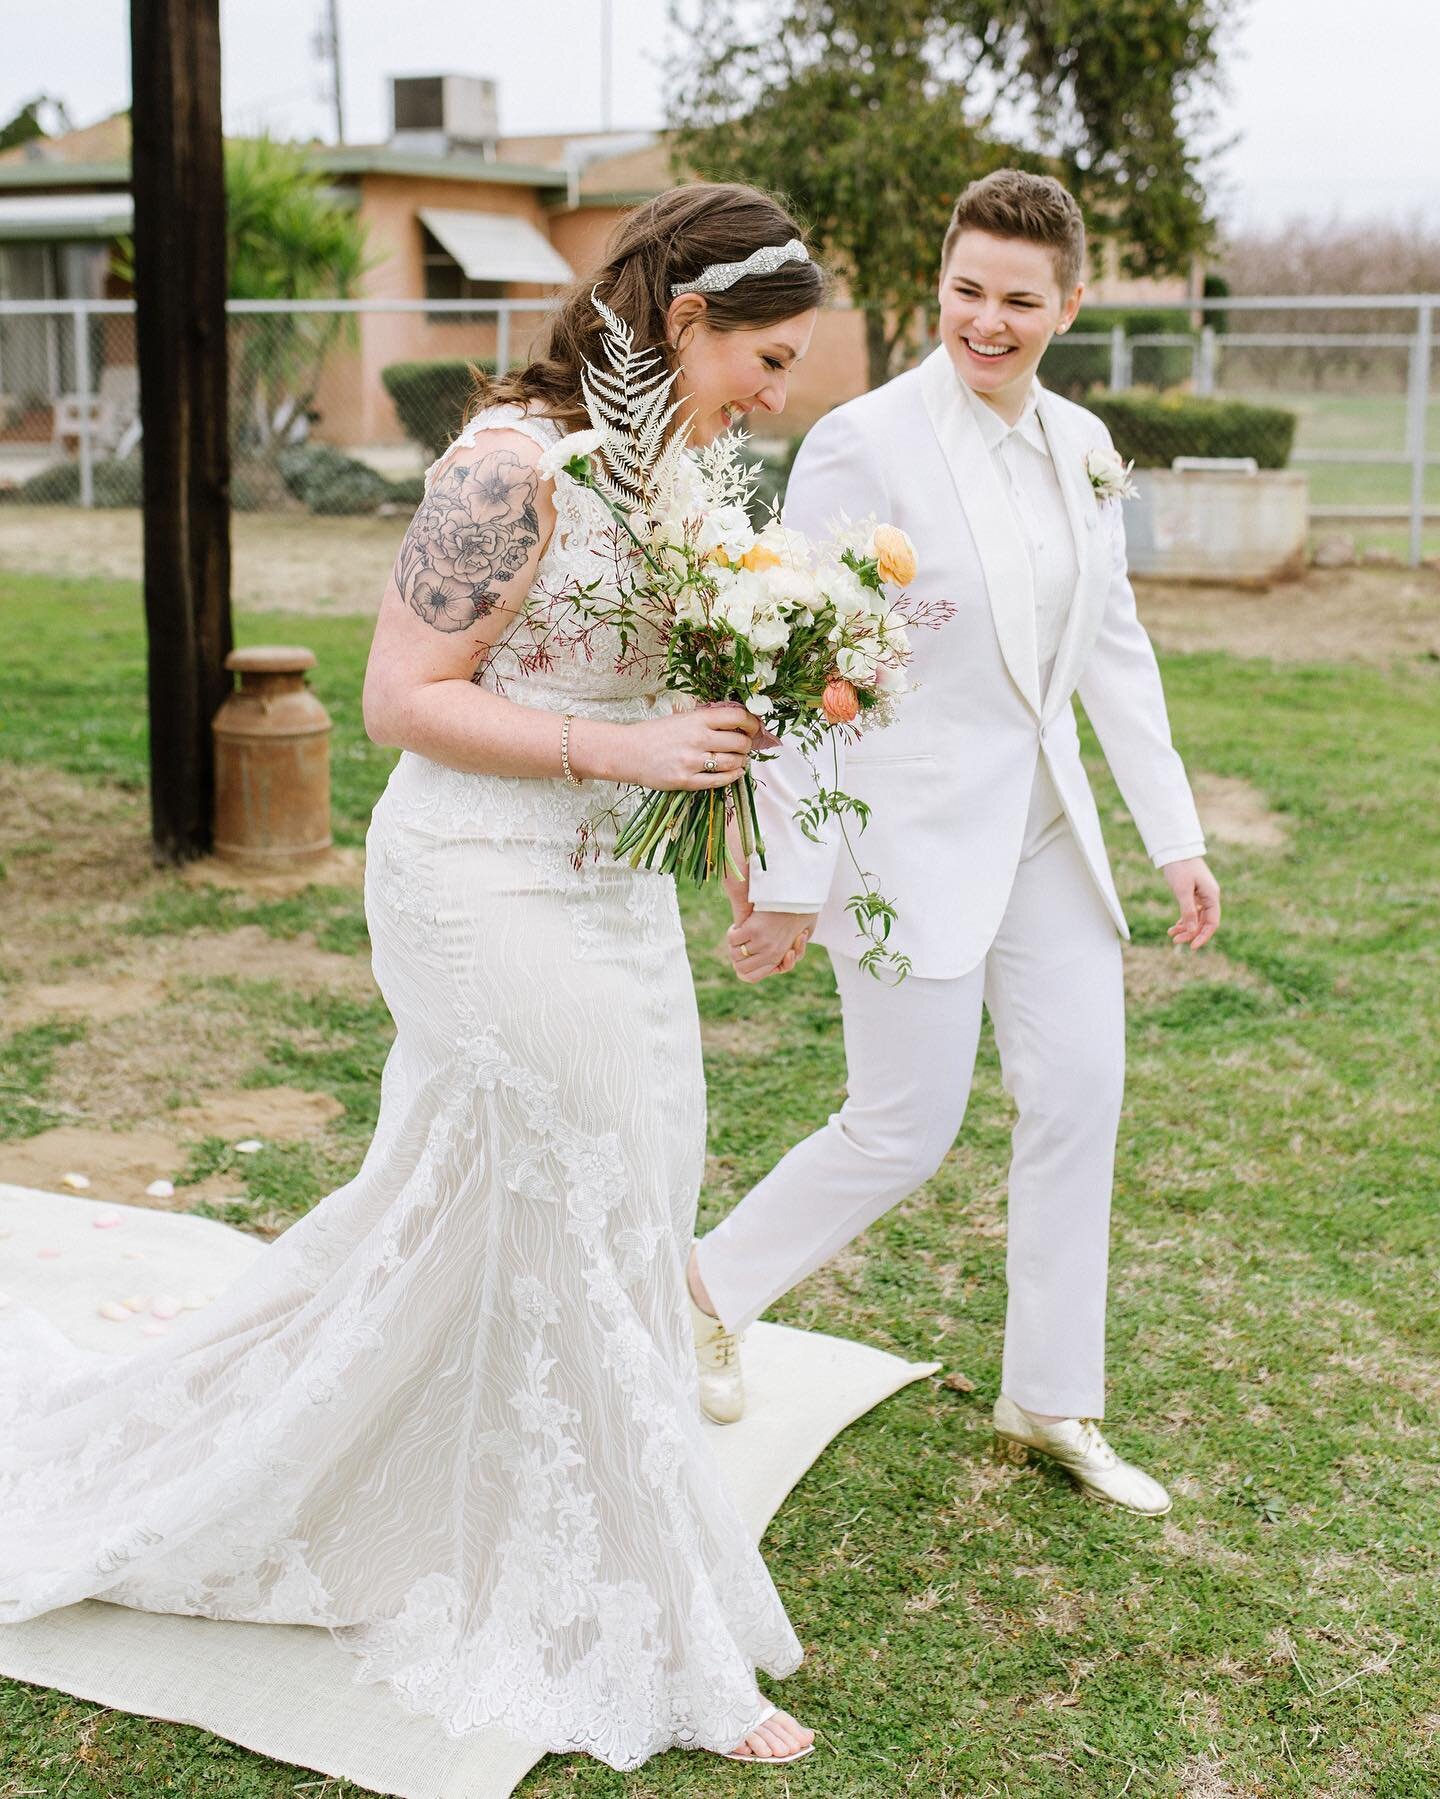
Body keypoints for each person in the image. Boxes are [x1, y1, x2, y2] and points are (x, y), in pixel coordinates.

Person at [0, 183, 822, 1770]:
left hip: (611, 894)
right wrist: (626, 746)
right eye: (766, 360)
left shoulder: (682, 473)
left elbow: (683, 684)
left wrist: (735, 799)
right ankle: (625, 1620)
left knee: (613, 1198)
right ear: (685, 320)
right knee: (587, 1203)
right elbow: (397, 696)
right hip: (477, 888)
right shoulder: (508, 469)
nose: (776, 398)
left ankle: (400, 1478)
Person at [688, 170, 1221, 1518]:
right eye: (966, 292)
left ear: (1072, 304)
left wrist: (1175, 837)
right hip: (903, 831)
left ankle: (1050, 1398)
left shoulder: (1084, 444)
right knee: (903, 1127)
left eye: (1019, 301)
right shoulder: (862, 444)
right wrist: (794, 877)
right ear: (939, 285)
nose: (988, 323)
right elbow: (800, 670)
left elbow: (1112, 646)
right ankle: (702, 1291)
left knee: (1080, 1095)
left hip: (1046, 829)